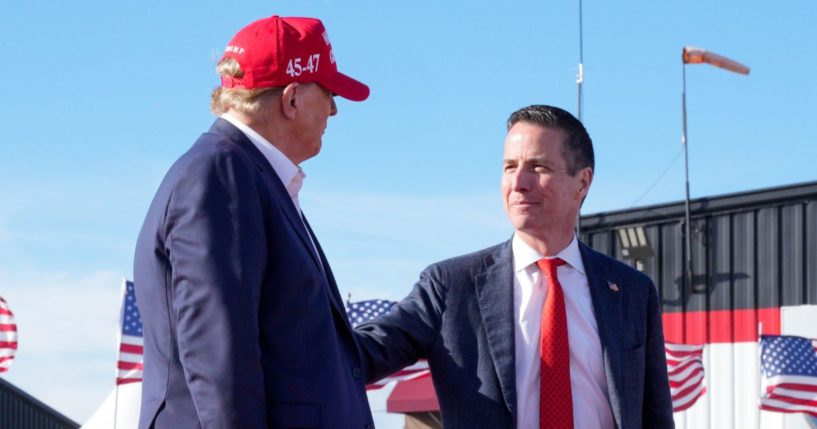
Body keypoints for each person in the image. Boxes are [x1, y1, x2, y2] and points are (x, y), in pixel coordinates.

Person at [354, 105, 674, 428]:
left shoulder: (632, 292)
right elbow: (362, 352)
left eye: (537, 167)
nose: (518, 182)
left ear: (582, 183)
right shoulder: (450, 286)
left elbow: (656, 416)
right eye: (509, 167)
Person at [134, 16, 374, 429]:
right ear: (292, 99)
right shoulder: (219, 177)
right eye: (329, 92)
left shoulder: (244, 176)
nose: (334, 108)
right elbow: (220, 359)